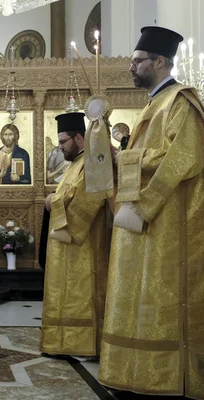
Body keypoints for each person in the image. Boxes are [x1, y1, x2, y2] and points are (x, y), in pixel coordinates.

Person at [99, 26, 204, 399]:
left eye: (137, 61)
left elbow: (185, 156)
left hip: (165, 222)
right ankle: (136, 371)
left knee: (158, 298)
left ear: (160, 62)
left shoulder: (179, 102)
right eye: (132, 60)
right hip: (143, 220)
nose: (131, 67)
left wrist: (127, 160)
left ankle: (164, 377)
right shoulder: (153, 104)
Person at [39, 112, 109, 358]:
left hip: (83, 247)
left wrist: (52, 200)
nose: (59, 148)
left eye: (63, 142)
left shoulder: (90, 164)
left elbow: (87, 199)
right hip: (67, 247)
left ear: (79, 137)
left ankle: (81, 343)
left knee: (80, 294)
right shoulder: (74, 165)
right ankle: (63, 341)